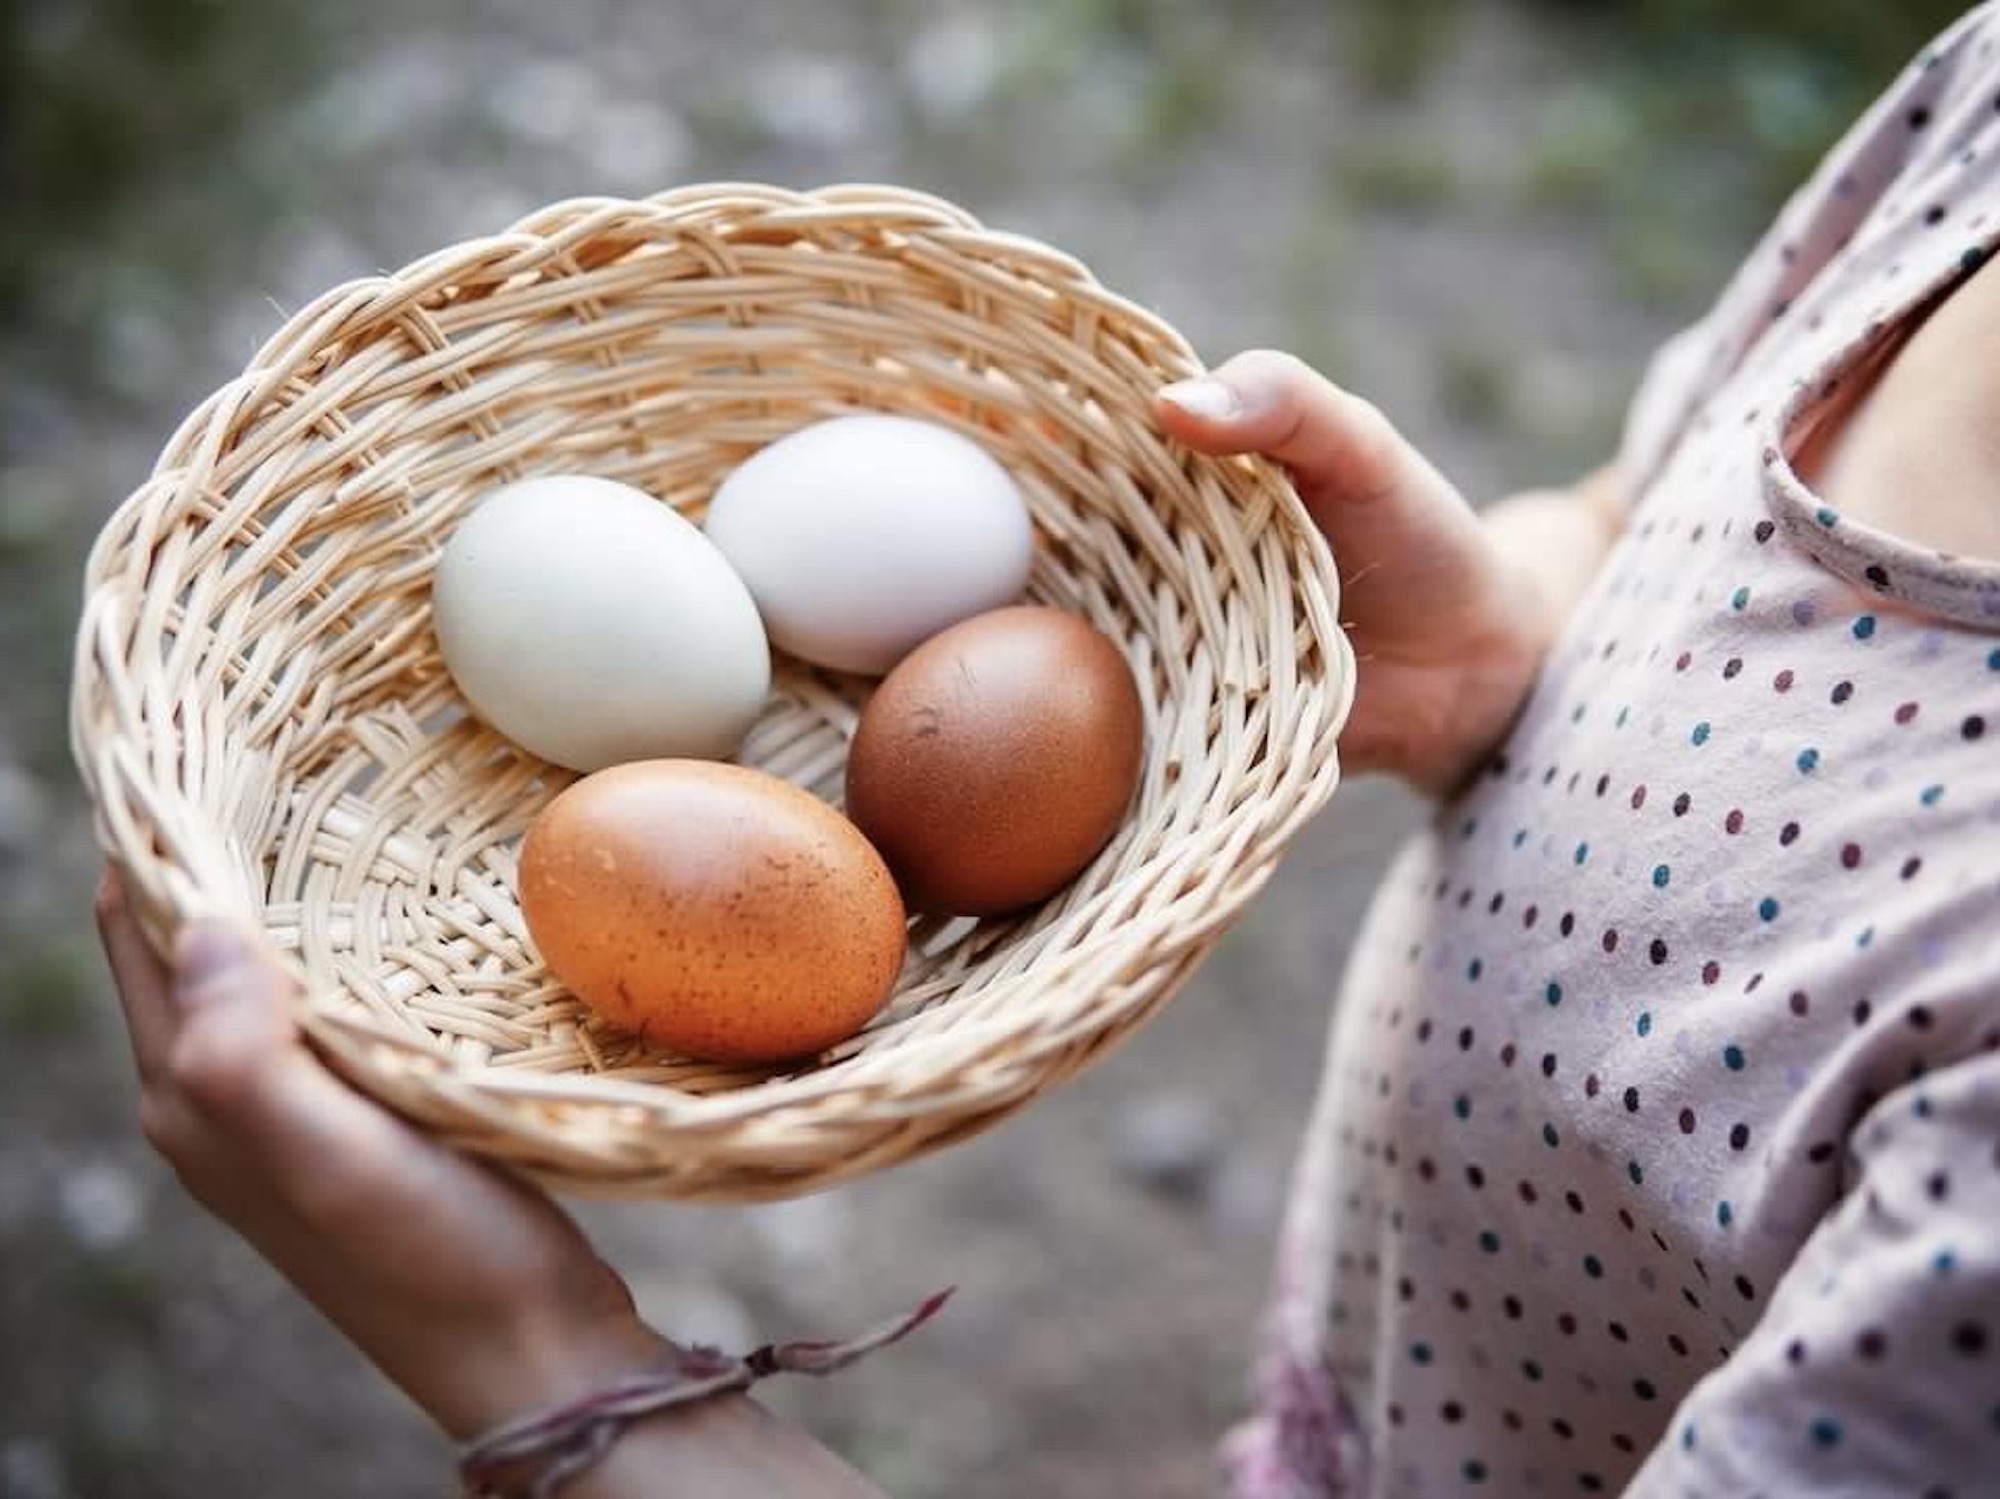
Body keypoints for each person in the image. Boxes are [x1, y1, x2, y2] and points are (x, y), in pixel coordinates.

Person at [97, 6, 2000, 1495]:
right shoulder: (1978, 119)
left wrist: (536, 1357)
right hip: (1397, 1349)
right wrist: (1518, 633)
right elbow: (1654, 516)